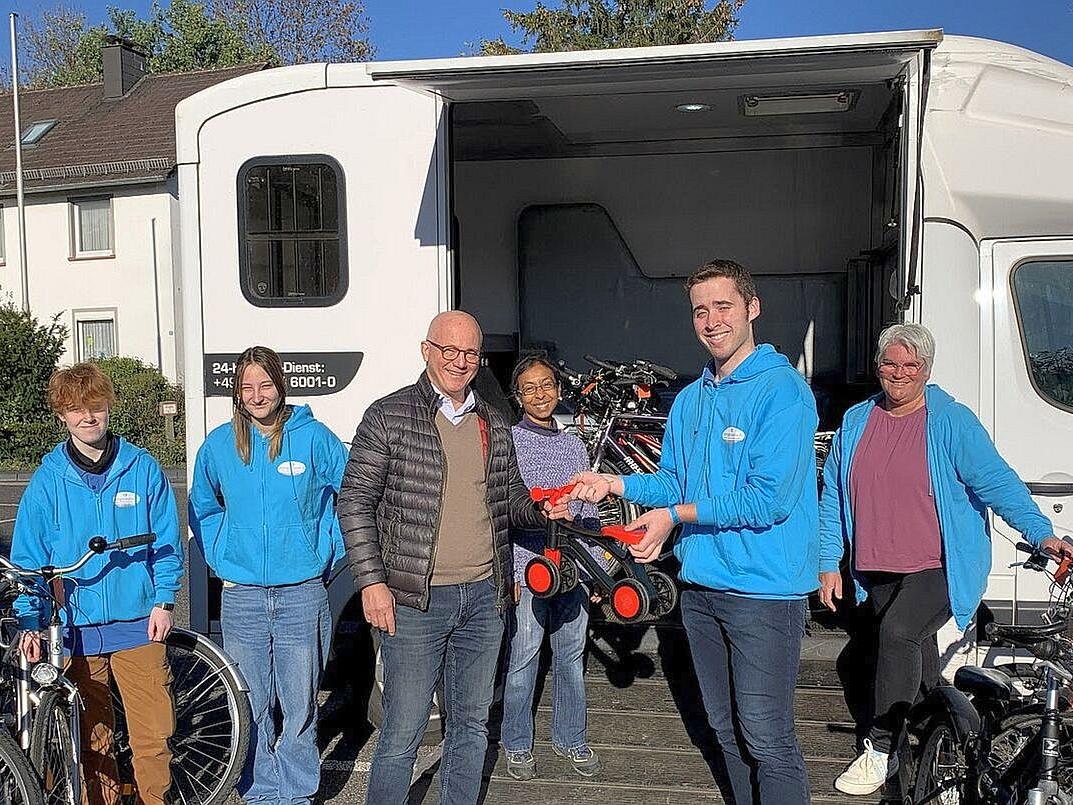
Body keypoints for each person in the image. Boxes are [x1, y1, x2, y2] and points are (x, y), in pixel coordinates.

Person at [565, 259, 818, 804]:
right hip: (702, 589)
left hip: (764, 593)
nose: (711, 320)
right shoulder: (690, 399)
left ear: (752, 309)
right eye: (700, 310)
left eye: (723, 306)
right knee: (724, 731)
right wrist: (613, 483)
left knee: (766, 736)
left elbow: (766, 499)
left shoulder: (783, 393)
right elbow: (673, 480)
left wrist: (675, 517)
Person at [819, 323, 1071, 796]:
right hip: (877, 566)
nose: (899, 373)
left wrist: (1041, 533)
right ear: (878, 366)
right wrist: (829, 560)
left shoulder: (950, 421)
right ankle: (946, 744)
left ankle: (880, 747)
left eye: (910, 365)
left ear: (926, 370)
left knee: (898, 635)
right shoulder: (856, 420)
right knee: (917, 666)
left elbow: (997, 482)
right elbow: (833, 495)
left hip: (939, 564)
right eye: (890, 363)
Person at [338, 310, 546, 805]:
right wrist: (371, 583)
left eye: (470, 352)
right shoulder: (388, 415)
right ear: (426, 350)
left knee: (472, 726)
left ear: (480, 359)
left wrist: (541, 507)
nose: (460, 361)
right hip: (413, 601)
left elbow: (509, 496)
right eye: (449, 350)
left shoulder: (493, 420)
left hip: (482, 598)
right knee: (402, 734)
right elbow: (354, 501)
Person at [12, 363, 183, 805]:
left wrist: (164, 600)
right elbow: (29, 564)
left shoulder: (142, 470)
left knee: (154, 737)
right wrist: (30, 624)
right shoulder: (47, 482)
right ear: (62, 416)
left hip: (137, 625)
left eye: (96, 406)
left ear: (109, 407)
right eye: (76, 409)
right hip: (72, 631)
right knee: (91, 742)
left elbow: (166, 540)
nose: (88, 417)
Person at [188, 346, 346, 805]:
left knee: (298, 706)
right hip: (243, 598)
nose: (257, 395)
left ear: (281, 385)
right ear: (236, 393)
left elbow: (351, 494)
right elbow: (203, 507)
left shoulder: (314, 438)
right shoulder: (218, 445)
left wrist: (327, 547)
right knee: (251, 703)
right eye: (247, 387)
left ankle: (295, 794)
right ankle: (259, 792)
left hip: (302, 593)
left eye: (266, 384)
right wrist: (221, 555)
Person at [501, 354, 603, 781]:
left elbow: (588, 511)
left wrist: (598, 570)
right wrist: (509, 573)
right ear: (517, 396)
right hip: (531, 570)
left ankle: (570, 737)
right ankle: (517, 742)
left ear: (559, 390)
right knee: (523, 657)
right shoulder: (509, 443)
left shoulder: (574, 444)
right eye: (530, 388)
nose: (540, 394)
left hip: (575, 570)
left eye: (547, 385)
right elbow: (503, 513)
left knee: (570, 655)